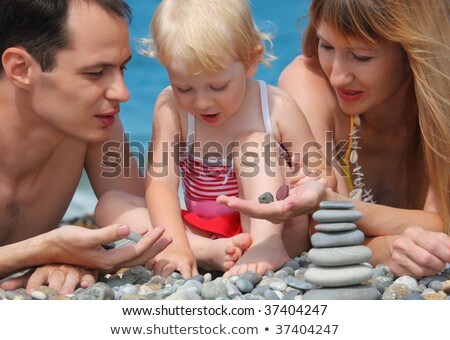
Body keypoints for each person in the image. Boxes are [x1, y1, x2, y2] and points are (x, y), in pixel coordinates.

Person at [94, 0, 328, 278]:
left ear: (251, 61)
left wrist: (303, 184)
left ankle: (267, 247)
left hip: (273, 228)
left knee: (255, 143)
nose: (202, 102)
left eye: (217, 86)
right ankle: (200, 250)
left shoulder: (275, 105)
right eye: (185, 88)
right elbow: (161, 183)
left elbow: (321, 173)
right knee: (111, 204)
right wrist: (177, 243)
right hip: (204, 230)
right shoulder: (171, 107)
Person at [218, 0, 450, 278]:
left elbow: (441, 221)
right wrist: (386, 249)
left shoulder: (441, 105)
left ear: (412, 52)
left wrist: (335, 204)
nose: (338, 76)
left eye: (362, 57)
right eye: (326, 46)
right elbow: (322, 228)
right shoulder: (308, 82)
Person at [0, 0, 172, 295]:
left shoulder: (94, 126)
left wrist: (80, 257)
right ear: (21, 68)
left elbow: (139, 234)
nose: (123, 92)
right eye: (95, 73)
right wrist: (48, 249)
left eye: (122, 68)